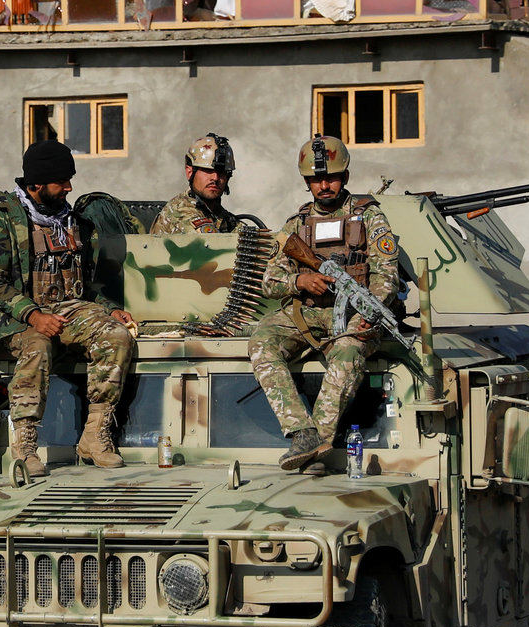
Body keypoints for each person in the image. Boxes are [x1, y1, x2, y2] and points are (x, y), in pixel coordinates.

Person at [0, 138, 137, 475]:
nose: (69, 188)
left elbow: (84, 284)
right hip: (10, 318)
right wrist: (34, 316)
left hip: (67, 309)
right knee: (38, 345)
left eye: (69, 180)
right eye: (61, 181)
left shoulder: (71, 221)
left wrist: (107, 309)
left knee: (117, 336)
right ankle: (25, 448)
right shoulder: (0, 222)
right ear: (36, 184)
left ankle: (95, 436)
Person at [247, 135, 404, 471]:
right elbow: (269, 281)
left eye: (331, 178)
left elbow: (386, 274)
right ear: (307, 182)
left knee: (348, 350)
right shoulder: (296, 225)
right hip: (305, 313)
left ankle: (316, 444)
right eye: (316, 179)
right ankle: (301, 430)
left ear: (345, 177)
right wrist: (299, 281)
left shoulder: (369, 217)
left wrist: (372, 309)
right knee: (262, 340)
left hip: (355, 315)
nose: (324, 186)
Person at [149, 133, 242, 234]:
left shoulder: (219, 214)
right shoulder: (180, 211)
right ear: (190, 172)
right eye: (208, 170)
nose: (215, 178)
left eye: (221, 172)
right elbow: (211, 241)